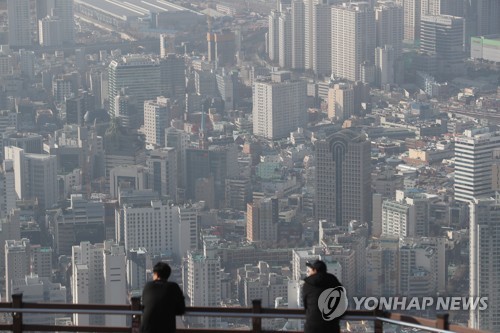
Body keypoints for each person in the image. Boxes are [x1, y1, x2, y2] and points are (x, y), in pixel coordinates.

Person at [141, 262, 186, 333]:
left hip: (146, 329)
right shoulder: (174, 287)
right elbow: (181, 310)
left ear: (156, 274)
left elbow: (144, 306)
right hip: (166, 329)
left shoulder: (148, 286)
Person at [302, 259, 343, 333]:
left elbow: (305, 306)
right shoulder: (334, 281)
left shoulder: (308, 284)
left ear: (314, 270)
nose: (309, 271)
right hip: (331, 326)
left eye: (310, 270)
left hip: (312, 327)